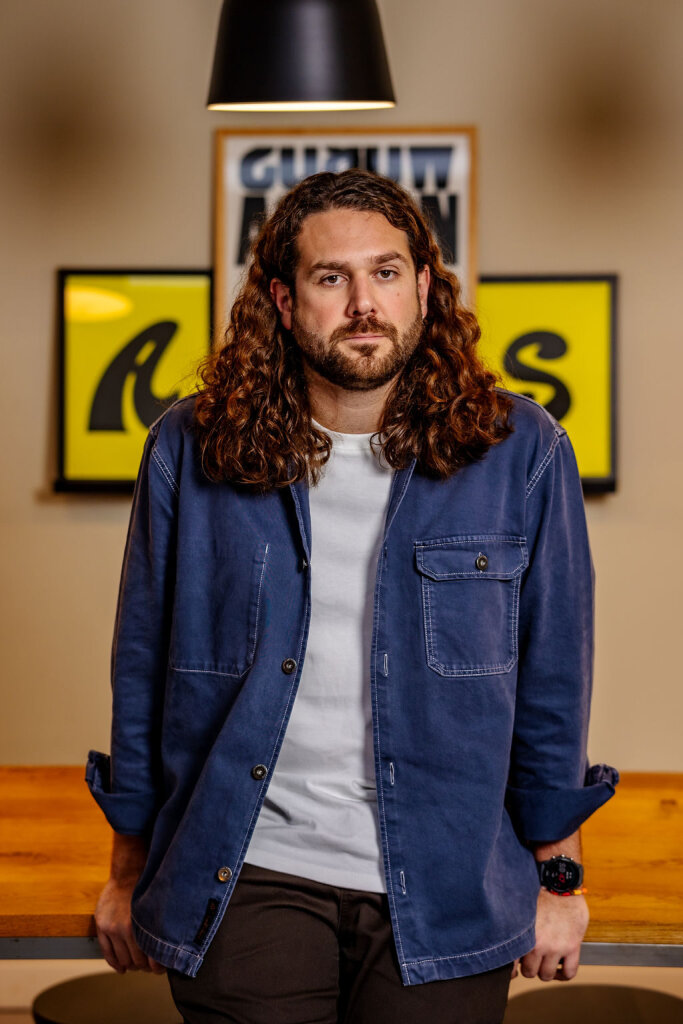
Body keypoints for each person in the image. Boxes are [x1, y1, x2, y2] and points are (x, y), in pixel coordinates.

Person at [88, 169, 618, 1023]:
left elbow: (552, 684)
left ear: (422, 289)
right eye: (331, 278)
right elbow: (143, 673)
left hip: (447, 884)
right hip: (247, 874)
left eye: (385, 272)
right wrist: (124, 872)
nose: (363, 302)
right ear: (283, 300)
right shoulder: (189, 448)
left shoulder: (519, 450)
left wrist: (559, 879)